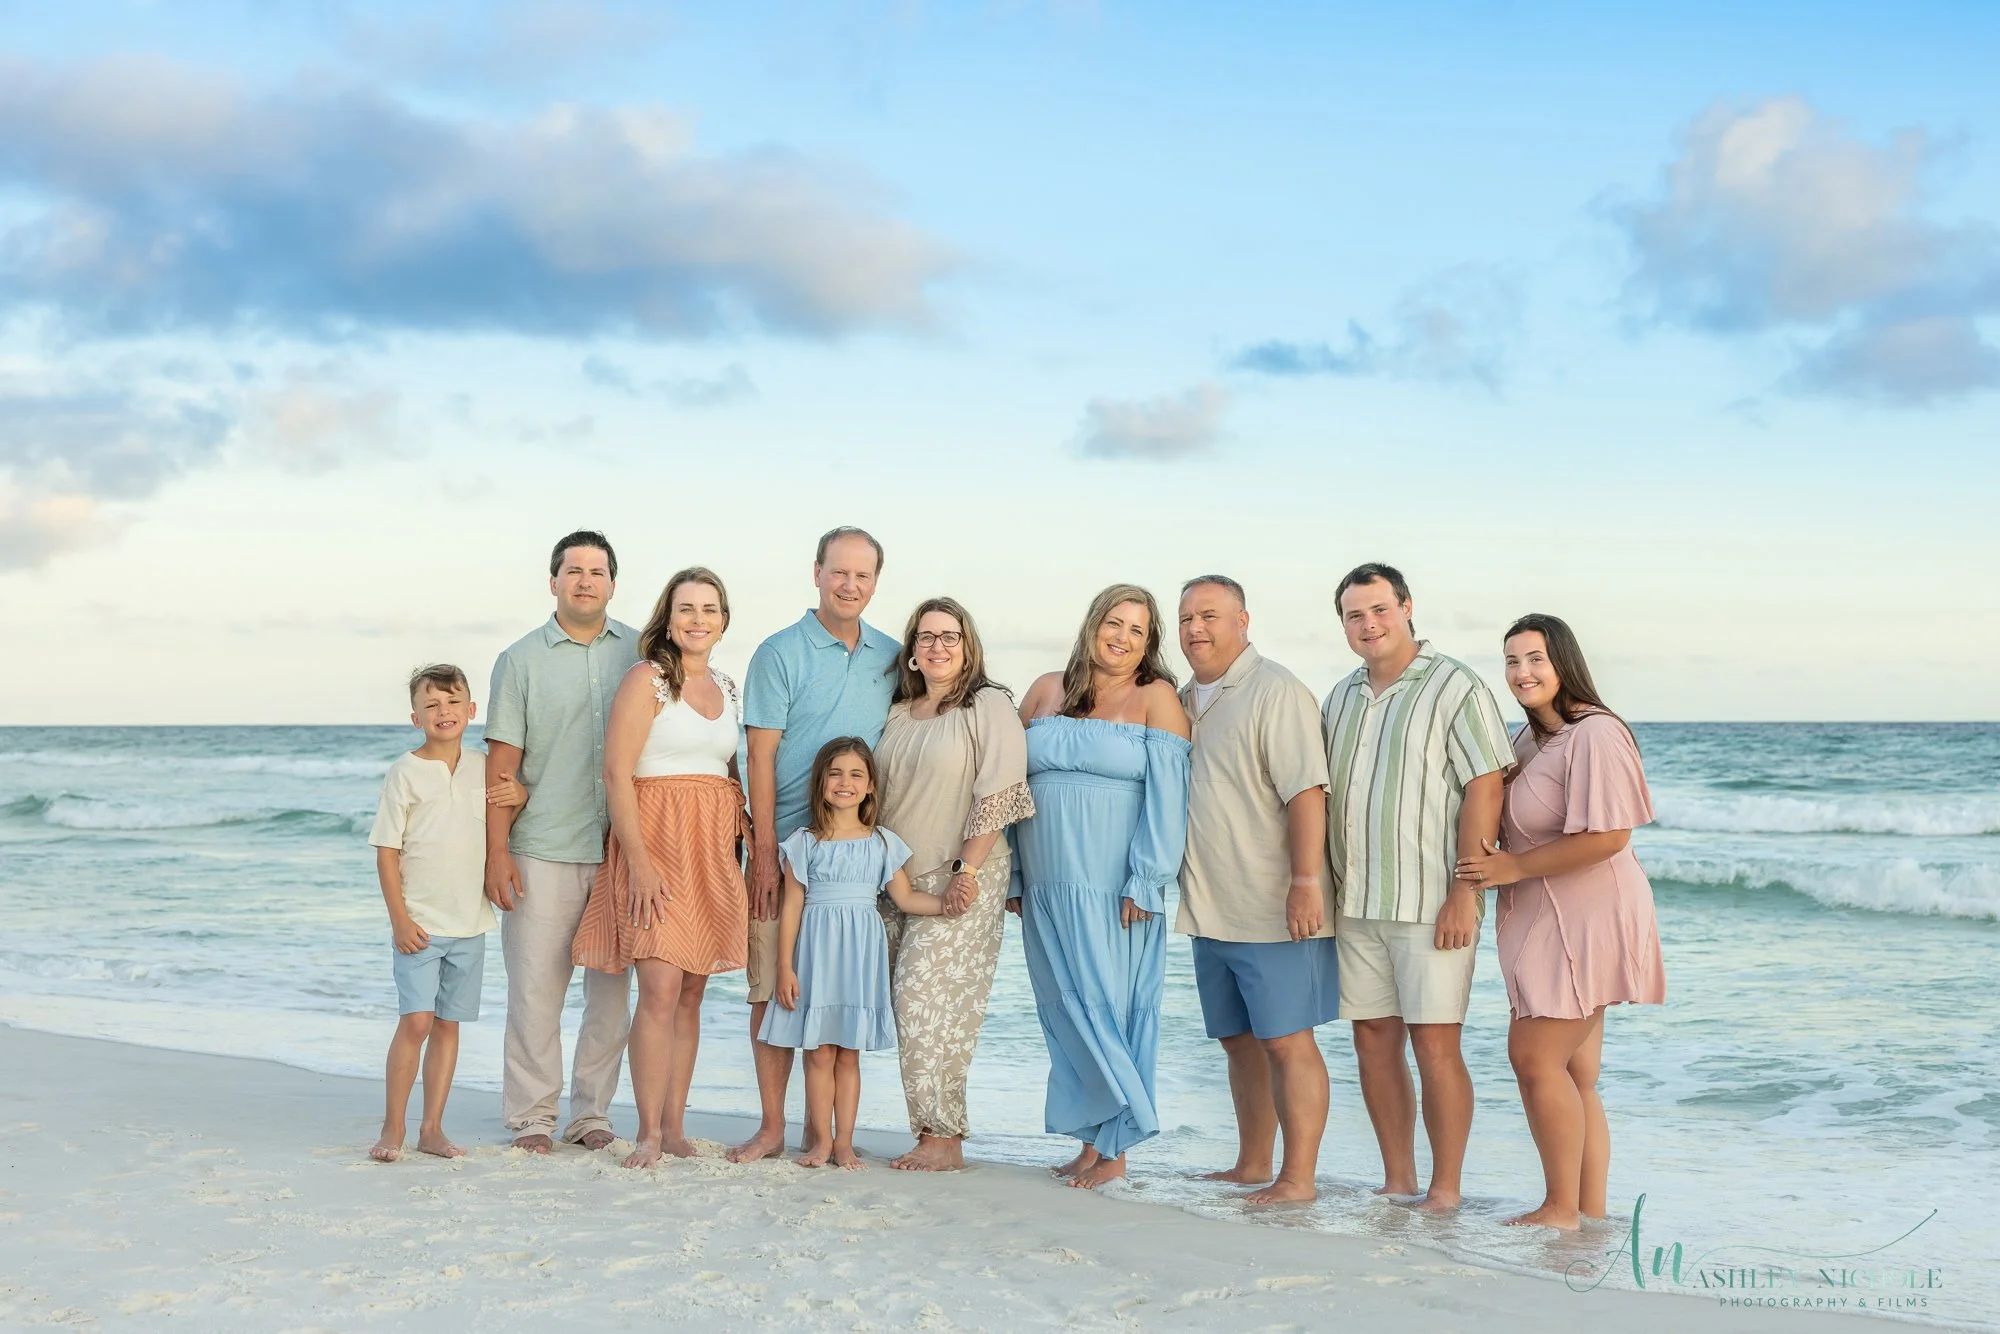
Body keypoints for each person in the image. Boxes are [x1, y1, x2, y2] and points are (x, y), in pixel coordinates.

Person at [1455, 614, 1666, 1230]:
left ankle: (1558, 1209)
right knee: (1575, 1072)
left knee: (1534, 1057)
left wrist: (1515, 868)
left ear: (1563, 662)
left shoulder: (1594, 734)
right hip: (1546, 914)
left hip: (1587, 913)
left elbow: (1609, 835)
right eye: (1512, 662)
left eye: (1535, 659)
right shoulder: (1529, 743)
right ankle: (1588, 1213)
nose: (1522, 673)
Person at [1321, 562, 1512, 1211]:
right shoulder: (1341, 696)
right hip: (1357, 902)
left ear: (1406, 608)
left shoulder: (1456, 686)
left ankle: (1447, 1188)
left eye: (1379, 609)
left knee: (1436, 1042)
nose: (1368, 624)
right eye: (1354, 615)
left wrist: (1467, 890)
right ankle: (1398, 1180)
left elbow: (1487, 782)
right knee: (1372, 1040)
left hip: (1432, 901)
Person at [1009, 584, 1191, 1190]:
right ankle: (1091, 1139)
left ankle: (1118, 1147)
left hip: (1115, 887)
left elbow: (1169, 802)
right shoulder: (1043, 689)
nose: (1123, 638)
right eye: (1116, 624)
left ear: (1149, 644)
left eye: (1138, 631)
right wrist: (1010, 871)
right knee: (1064, 1008)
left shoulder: (1156, 698)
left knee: (1111, 1009)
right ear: (1093, 625)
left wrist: (1147, 880)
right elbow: (1007, 790)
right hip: (1045, 884)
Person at [572, 568, 751, 1170]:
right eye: (686, 609)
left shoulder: (728, 685)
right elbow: (617, 774)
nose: (698, 619)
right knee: (659, 989)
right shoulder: (646, 680)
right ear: (667, 619)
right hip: (656, 844)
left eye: (709, 608)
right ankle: (647, 1132)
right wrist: (641, 866)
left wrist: (738, 846)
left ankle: (676, 1125)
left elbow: (726, 771)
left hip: (711, 848)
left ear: (723, 620)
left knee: (693, 990)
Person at [731, 527, 901, 1163]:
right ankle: (773, 1126)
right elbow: (761, 754)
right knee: (770, 989)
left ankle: (825, 1134)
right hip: (787, 850)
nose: (849, 585)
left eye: (862, 575)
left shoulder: (891, 656)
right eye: (839, 572)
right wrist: (769, 851)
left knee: (835, 1000)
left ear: (876, 582)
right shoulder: (780, 652)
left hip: (855, 857)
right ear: (817, 573)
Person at [1174, 576, 1337, 1205]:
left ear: (1243, 621)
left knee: (1286, 1039)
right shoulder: (1186, 698)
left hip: (1273, 904)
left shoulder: (1277, 691)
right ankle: (1251, 1164)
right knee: (1237, 1040)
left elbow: (1306, 793)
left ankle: (1297, 1179)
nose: (1196, 629)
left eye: (1209, 616)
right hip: (1209, 905)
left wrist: (1304, 883)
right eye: (1186, 618)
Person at [483, 531, 639, 1153]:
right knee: (535, 993)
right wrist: (496, 854)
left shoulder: (638, 650)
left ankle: (591, 1114)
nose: (584, 581)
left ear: (612, 584)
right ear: (553, 582)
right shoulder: (519, 660)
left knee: (609, 997)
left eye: (596, 572)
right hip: (542, 846)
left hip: (620, 852)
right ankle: (532, 1117)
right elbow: (502, 767)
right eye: (573, 571)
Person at [875, 597, 1034, 1172]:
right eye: (926, 637)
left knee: (925, 1001)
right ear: (911, 652)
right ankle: (927, 1128)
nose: (937, 646)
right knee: (910, 1008)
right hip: (896, 881)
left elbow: (1000, 788)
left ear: (968, 647)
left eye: (950, 636)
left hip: (965, 873)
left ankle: (944, 1136)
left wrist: (966, 870)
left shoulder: (987, 705)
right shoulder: (896, 712)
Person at [760, 738, 945, 1169]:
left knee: (848, 1053)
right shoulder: (804, 841)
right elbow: (792, 907)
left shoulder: (882, 842)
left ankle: (844, 1142)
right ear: (821, 781)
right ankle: (820, 1141)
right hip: (816, 952)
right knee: (819, 1052)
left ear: (870, 788)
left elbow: (906, 898)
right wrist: (785, 966)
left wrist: (949, 904)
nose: (845, 782)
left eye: (856, 774)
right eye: (836, 773)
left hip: (860, 953)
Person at [367, 664, 513, 1162]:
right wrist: (400, 920)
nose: (443, 712)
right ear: (416, 717)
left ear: (471, 711)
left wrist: (524, 793)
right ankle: (393, 1128)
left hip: (471, 925)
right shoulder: (405, 772)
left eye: (453, 703)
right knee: (416, 1020)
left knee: (448, 1024)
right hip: (420, 927)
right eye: (432, 705)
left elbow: (509, 805)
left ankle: (432, 1129)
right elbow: (387, 851)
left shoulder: (482, 764)